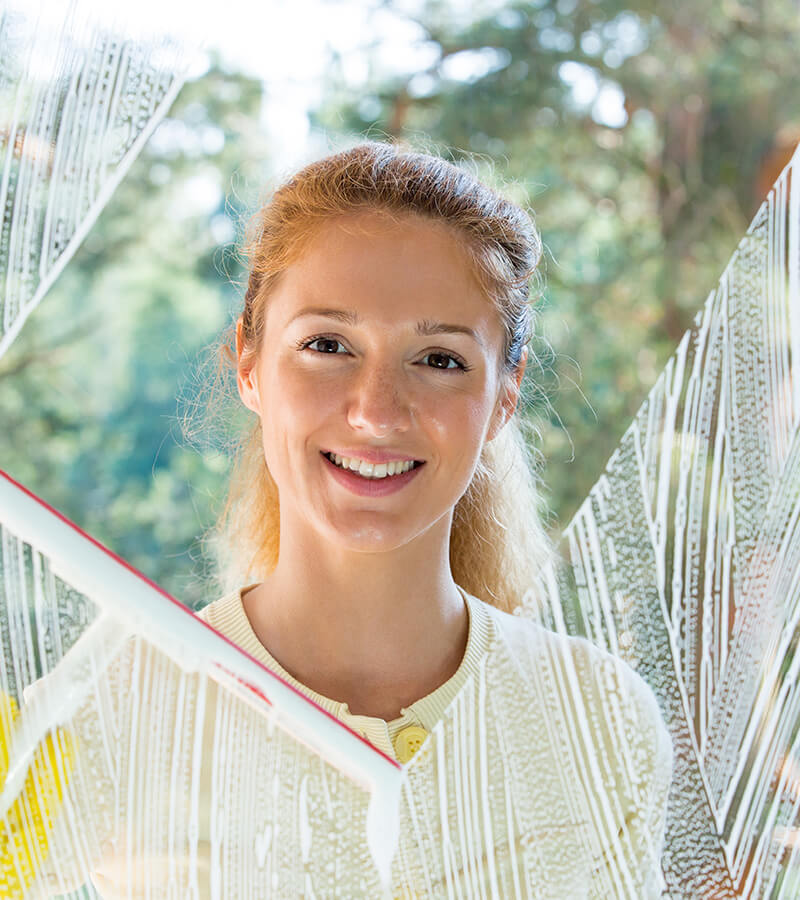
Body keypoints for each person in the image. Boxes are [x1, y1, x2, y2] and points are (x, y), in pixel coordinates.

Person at [14, 139, 673, 898]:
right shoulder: (111, 712)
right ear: (251, 366)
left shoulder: (600, 722)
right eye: (328, 345)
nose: (375, 410)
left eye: (440, 359)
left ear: (505, 395)